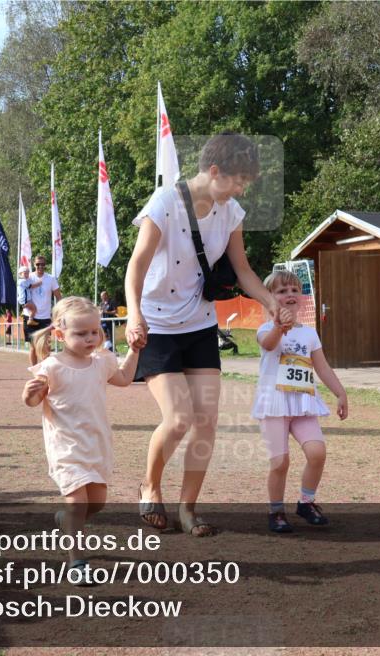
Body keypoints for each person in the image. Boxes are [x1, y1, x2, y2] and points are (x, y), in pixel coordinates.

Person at [125, 131, 293, 536]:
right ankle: (150, 486)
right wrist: (134, 316)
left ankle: (188, 508)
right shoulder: (165, 203)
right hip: (158, 325)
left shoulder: (230, 211)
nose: (240, 190)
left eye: (245, 185)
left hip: (200, 323)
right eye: (237, 181)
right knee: (179, 417)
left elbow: (243, 270)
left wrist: (271, 304)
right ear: (214, 170)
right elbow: (136, 266)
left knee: (206, 422)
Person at [23, 297, 140, 583]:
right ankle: (77, 562)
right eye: (81, 333)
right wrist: (29, 393)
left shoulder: (101, 362)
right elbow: (33, 400)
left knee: (96, 503)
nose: (91, 338)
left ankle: (65, 521)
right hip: (65, 448)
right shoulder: (51, 367)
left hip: (96, 445)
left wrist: (134, 350)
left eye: (95, 331)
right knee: (77, 503)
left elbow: (124, 378)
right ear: (60, 335)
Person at [252, 270, 348, 533]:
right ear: (270, 298)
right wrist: (278, 327)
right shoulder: (264, 330)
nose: (290, 295)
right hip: (274, 404)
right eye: (282, 291)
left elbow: (323, 367)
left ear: (302, 297)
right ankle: (276, 511)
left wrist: (341, 392)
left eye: (294, 290)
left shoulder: (309, 334)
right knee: (280, 463)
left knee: (317, 453)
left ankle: (306, 502)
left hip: (303, 403)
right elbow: (270, 345)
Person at [27, 255, 61, 333]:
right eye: (38, 264)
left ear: (45, 265)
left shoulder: (51, 278)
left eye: (43, 264)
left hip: (45, 317)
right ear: (34, 264)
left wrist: (60, 312)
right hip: (30, 317)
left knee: (46, 344)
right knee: (33, 344)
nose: (40, 266)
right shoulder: (29, 278)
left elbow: (59, 297)